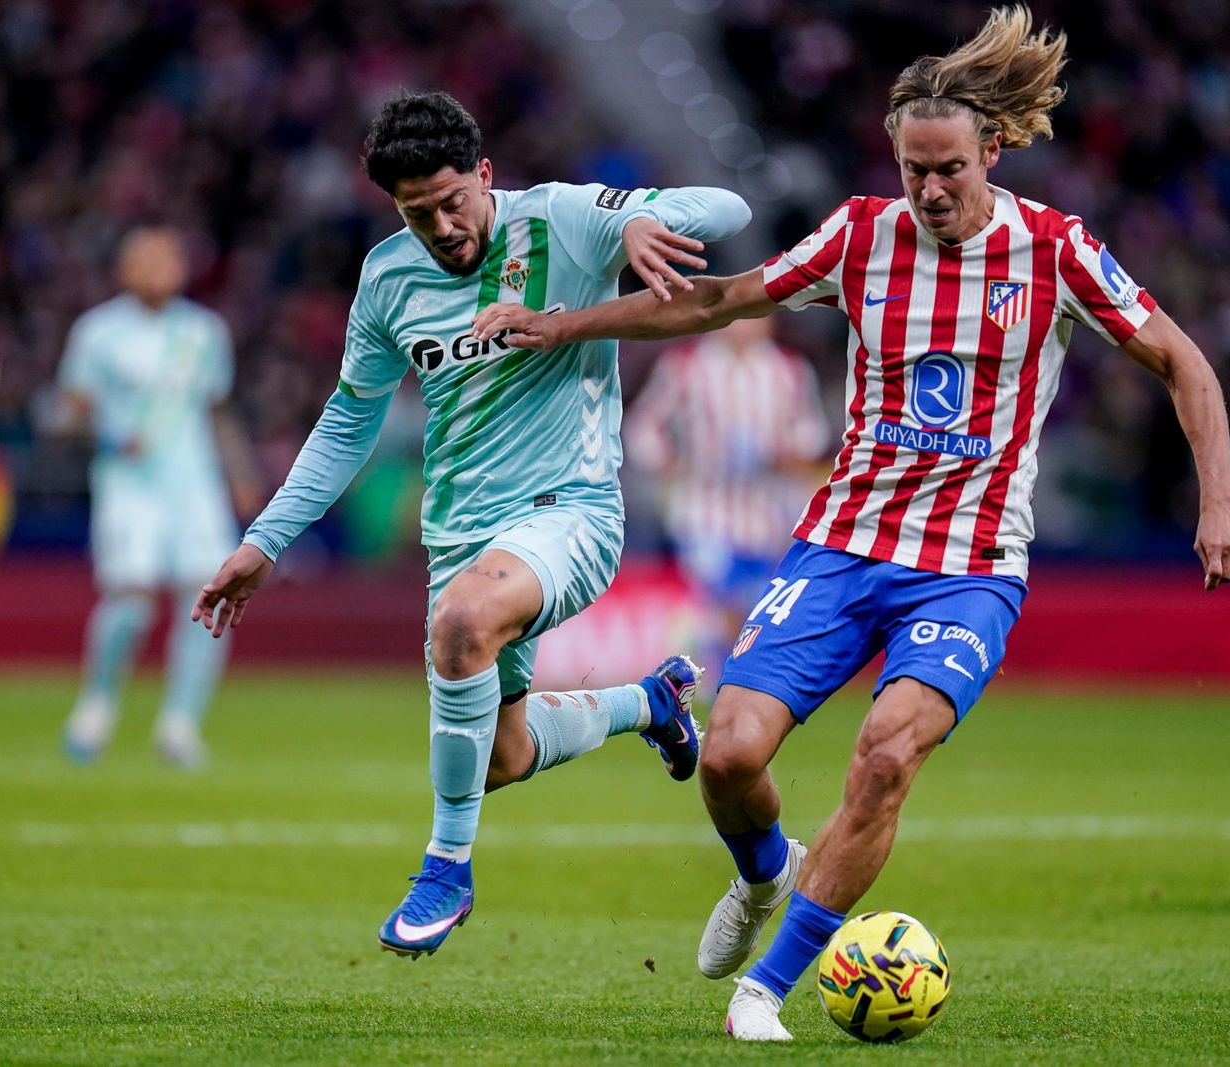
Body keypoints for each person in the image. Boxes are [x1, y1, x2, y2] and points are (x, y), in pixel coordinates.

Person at [476, 6, 1230, 1040]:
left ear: (995, 150)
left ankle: (768, 987)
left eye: (948, 171)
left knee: (886, 755)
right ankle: (761, 874)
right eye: (912, 169)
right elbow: (720, 301)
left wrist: (1219, 499)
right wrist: (567, 322)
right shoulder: (857, 236)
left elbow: (1183, 361)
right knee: (728, 756)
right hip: (840, 546)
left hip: (969, 566)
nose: (928, 191)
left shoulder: (1054, 249)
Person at [192, 90, 752, 959]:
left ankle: (446, 866)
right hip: (462, 535)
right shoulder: (387, 280)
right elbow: (349, 421)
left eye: (455, 200)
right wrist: (264, 540)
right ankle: (650, 702)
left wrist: (650, 223)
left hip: (573, 510)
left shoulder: (563, 217)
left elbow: (730, 207)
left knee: (462, 625)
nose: (443, 224)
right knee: (500, 754)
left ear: (486, 175)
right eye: (419, 212)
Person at [58, 227, 261, 770]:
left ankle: (180, 723)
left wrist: (241, 473)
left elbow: (217, 410)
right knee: (129, 601)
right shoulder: (98, 332)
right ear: (124, 268)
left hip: (195, 485)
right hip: (129, 485)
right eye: (143, 259)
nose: (156, 269)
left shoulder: (204, 332)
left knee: (210, 597)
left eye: (167, 258)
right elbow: (66, 413)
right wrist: (103, 435)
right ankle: (97, 704)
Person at [623, 317, 830, 690]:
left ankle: (713, 663)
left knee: (753, 605)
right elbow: (644, 426)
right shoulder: (686, 365)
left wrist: (788, 455)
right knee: (723, 597)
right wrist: (667, 463)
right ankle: (718, 676)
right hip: (704, 509)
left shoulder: (789, 369)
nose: (745, 327)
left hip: (769, 512)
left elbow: (811, 433)